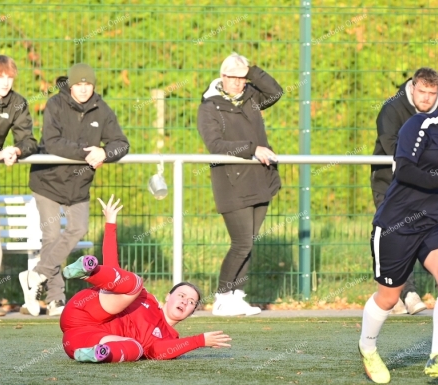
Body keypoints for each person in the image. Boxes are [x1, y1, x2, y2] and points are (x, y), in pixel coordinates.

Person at [358, 72, 438, 384]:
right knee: (388, 298)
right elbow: (404, 169)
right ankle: (367, 347)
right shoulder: (419, 125)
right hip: (397, 223)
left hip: (436, 223)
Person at [60, 195, 231, 363]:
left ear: (191, 312)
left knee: (136, 348)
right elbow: (114, 269)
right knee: (135, 285)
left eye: (192, 302)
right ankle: (89, 270)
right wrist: (110, 223)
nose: (186, 302)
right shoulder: (145, 297)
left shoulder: (170, 338)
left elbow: (157, 352)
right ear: (168, 296)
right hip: (84, 312)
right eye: (182, 295)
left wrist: (199, 341)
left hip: (81, 342)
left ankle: (99, 354)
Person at [22, 63, 129, 317]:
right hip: (47, 182)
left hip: (78, 186)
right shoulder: (55, 105)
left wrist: (105, 152)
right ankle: (56, 298)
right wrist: (88, 154)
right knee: (51, 236)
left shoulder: (102, 110)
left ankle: (35, 275)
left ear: (93, 85)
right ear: (70, 85)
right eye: (78, 84)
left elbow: (122, 144)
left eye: (88, 84)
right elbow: (52, 142)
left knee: (78, 229)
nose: (83, 89)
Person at [198, 52, 283, 316]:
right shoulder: (209, 106)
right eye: (233, 77)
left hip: (260, 180)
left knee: (250, 241)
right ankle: (223, 296)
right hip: (231, 183)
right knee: (242, 243)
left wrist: (252, 69)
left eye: (242, 78)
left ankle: (236, 294)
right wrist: (251, 149)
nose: (238, 83)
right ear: (222, 77)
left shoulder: (251, 96)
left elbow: (276, 92)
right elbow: (215, 145)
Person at [370, 67, 438, 315]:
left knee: (422, 233)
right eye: (422, 92)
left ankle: (409, 291)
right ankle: (401, 292)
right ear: (412, 87)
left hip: (424, 185)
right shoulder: (392, 108)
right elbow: (391, 145)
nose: (427, 98)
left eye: (432, 93)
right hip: (388, 182)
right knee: (393, 236)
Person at [0, 55, 39, 317]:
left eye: (9, 77)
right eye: (1, 77)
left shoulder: (17, 103)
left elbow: (29, 141)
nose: (5, 82)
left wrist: (15, 149)